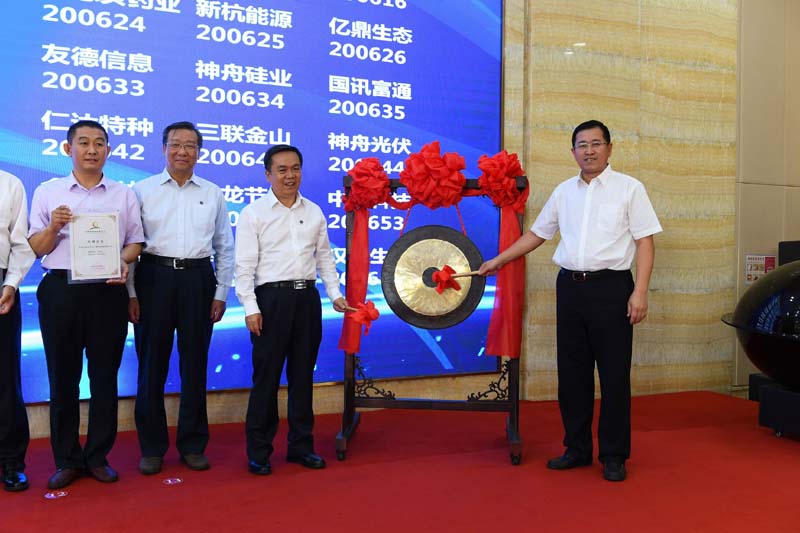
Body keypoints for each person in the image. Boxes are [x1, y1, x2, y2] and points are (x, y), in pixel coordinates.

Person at [479, 120, 662, 482]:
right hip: (571, 289)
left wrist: (640, 291)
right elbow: (537, 234)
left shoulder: (630, 189)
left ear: (609, 148)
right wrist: (500, 260)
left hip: (612, 289)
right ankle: (576, 448)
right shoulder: (564, 192)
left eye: (596, 143)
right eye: (582, 145)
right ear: (573, 151)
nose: (589, 151)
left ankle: (613, 455)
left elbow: (645, 241)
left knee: (614, 375)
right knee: (573, 373)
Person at [28, 120, 144, 489]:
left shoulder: (123, 194)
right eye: (83, 143)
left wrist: (122, 260)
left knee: (105, 377)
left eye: (99, 143)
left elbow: (136, 242)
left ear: (108, 150)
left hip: (107, 292)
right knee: (62, 378)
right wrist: (53, 228)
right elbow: (36, 248)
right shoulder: (48, 192)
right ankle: (67, 459)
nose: (91, 150)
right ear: (68, 149)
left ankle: (97, 456)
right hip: (61, 291)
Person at [127, 121, 234, 475]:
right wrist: (131, 292)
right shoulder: (141, 191)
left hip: (198, 279)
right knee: (151, 367)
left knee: (195, 365)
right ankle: (152, 448)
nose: (182, 151)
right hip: (153, 277)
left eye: (190, 145)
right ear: (163, 149)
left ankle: (192, 444)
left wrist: (221, 292)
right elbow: (130, 245)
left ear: (199, 152)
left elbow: (224, 247)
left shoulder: (212, 193)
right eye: (175, 144)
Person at [235, 144, 347, 475]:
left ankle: (301, 446)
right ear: (268, 174)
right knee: (266, 379)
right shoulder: (254, 213)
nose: (290, 175)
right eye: (282, 169)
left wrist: (335, 294)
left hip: (307, 300)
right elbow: (244, 267)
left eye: (295, 168)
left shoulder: (313, 211)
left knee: (302, 376)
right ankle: (259, 451)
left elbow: (324, 257)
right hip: (270, 301)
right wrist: (250, 308)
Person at [0, 170, 36, 492]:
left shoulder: (10, 184)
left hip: (1, 285)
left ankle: (10, 460)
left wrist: (10, 284)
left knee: (5, 376)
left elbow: (20, 243)